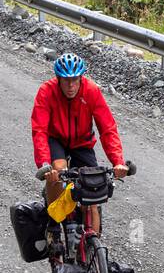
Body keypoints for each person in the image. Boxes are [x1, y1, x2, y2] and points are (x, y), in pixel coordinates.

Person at [31, 53, 128, 210]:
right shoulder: (46, 91)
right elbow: (39, 130)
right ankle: (53, 219)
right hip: (56, 139)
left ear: (81, 78)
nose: (71, 86)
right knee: (59, 170)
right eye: (66, 80)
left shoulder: (91, 91)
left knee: (92, 192)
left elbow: (107, 128)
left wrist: (118, 162)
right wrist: (45, 165)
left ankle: (92, 234)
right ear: (58, 79)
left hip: (82, 141)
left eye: (75, 80)